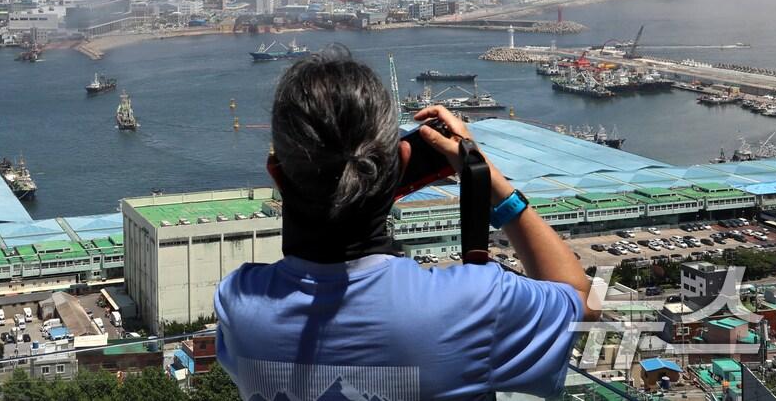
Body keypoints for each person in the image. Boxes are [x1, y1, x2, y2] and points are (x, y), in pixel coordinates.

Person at [214, 47, 596, 401]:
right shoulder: (471, 305)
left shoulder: (239, 303)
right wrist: (487, 177)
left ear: (276, 174)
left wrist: (356, 190)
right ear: (400, 158)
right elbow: (582, 300)